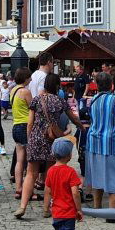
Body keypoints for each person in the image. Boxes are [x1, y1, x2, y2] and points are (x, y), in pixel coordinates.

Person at [15, 73, 85, 219]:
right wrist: (82, 127)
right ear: (57, 85)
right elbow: (73, 118)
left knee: (31, 174)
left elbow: (29, 123)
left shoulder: (36, 100)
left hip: (35, 138)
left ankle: (22, 206)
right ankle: (47, 209)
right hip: (51, 139)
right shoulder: (60, 101)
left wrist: (30, 140)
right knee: (49, 175)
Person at [85, 72, 115, 223]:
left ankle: (97, 209)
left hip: (95, 142)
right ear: (111, 85)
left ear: (97, 85)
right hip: (112, 143)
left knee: (97, 176)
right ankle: (112, 212)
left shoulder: (92, 100)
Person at [41, 138, 84, 230]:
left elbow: (47, 191)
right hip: (67, 214)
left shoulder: (51, 171)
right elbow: (75, 193)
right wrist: (79, 209)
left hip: (56, 214)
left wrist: (46, 208)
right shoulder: (70, 172)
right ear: (69, 156)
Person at [10, 68, 33, 199]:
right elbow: (33, 109)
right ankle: (28, 189)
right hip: (25, 126)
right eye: (29, 77)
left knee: (19, 160)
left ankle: (18, 187)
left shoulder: (13, 90)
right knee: (30, 160)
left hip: (16, 125)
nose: (31, 79)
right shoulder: (25, 91)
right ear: (25, 78)